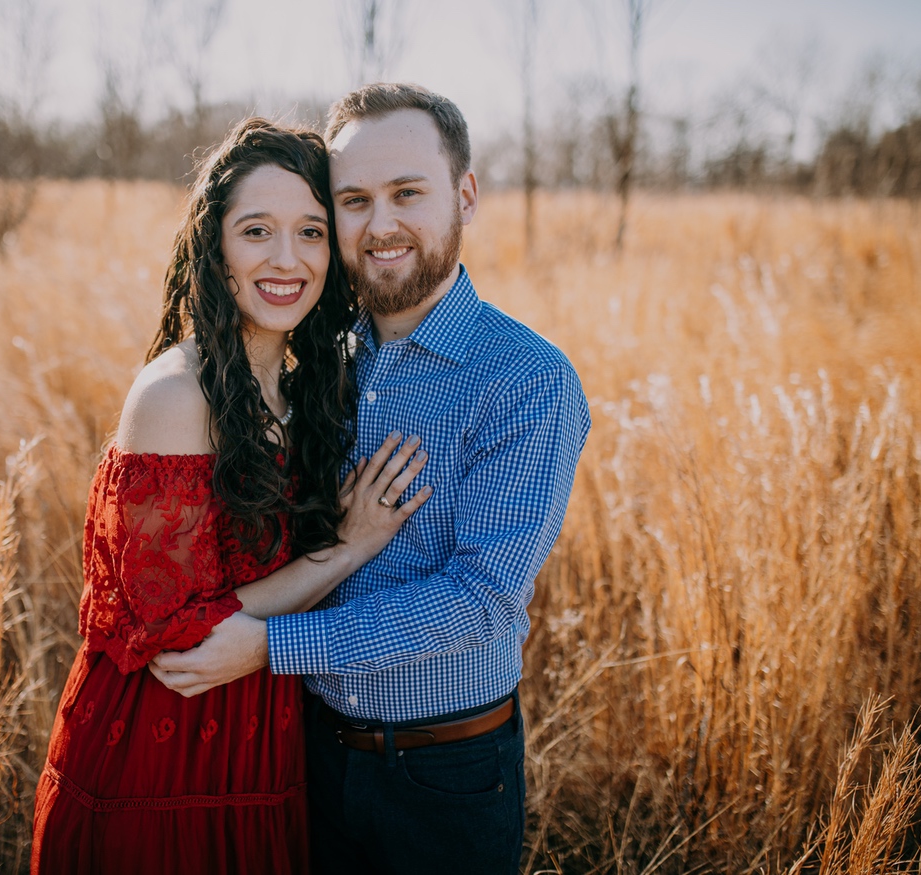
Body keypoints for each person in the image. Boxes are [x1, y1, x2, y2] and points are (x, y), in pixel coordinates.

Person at [150, 84, 591, 874]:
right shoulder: (322, 357)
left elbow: (481, 596)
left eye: (406, 193)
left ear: (464, 195)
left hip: (440, 772)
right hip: (304, 751)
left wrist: (270, 646)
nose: (380, 225)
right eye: (354, 200)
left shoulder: (525, 379)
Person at [29, 118, 432, 875]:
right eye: (257, 231)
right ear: (213, 246)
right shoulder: (176, 397)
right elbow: (182, 637)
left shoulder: (308, 380)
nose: (288, 260)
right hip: (159, 755)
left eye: (311, 232)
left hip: (262, 744)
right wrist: (350, 544)